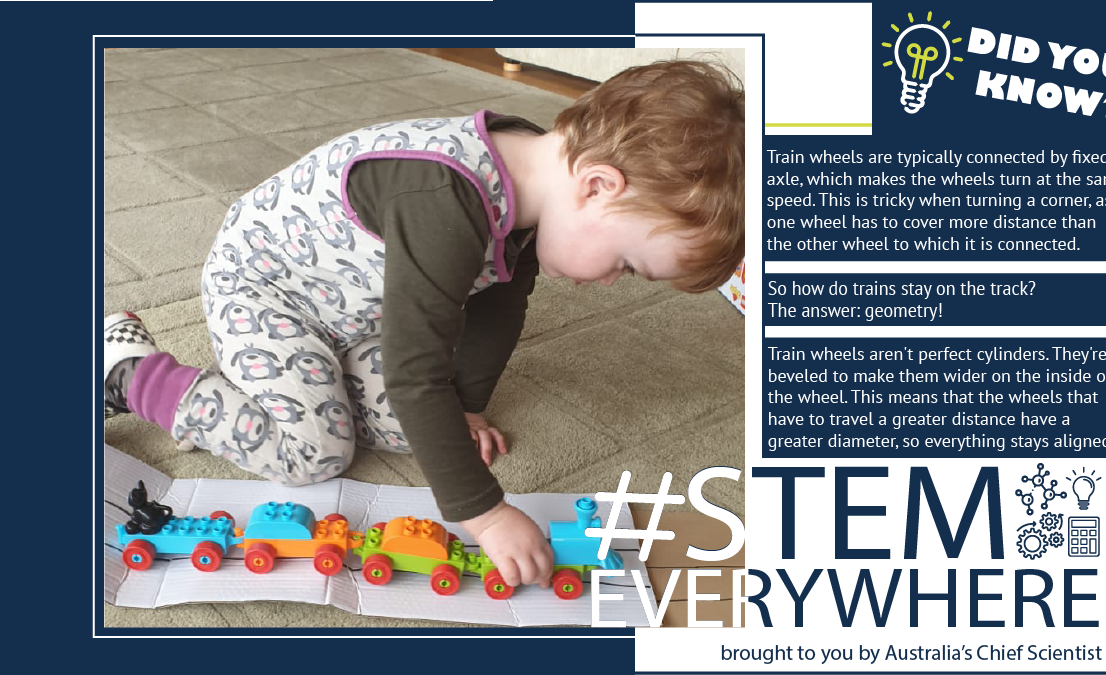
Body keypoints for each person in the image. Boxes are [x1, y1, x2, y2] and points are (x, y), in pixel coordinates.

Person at [102, 59, 744, 590]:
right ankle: (133, 373)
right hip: (266, 295)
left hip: (353, 307)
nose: (610, 282)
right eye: (627, 265)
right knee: (314, 454)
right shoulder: (446, 203)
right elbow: (416, 372)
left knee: (423, 433)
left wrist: (465, 405)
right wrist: (485, 515)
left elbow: (496, 310)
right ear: (599, 186)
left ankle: (247, 394)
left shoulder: (534, 184)